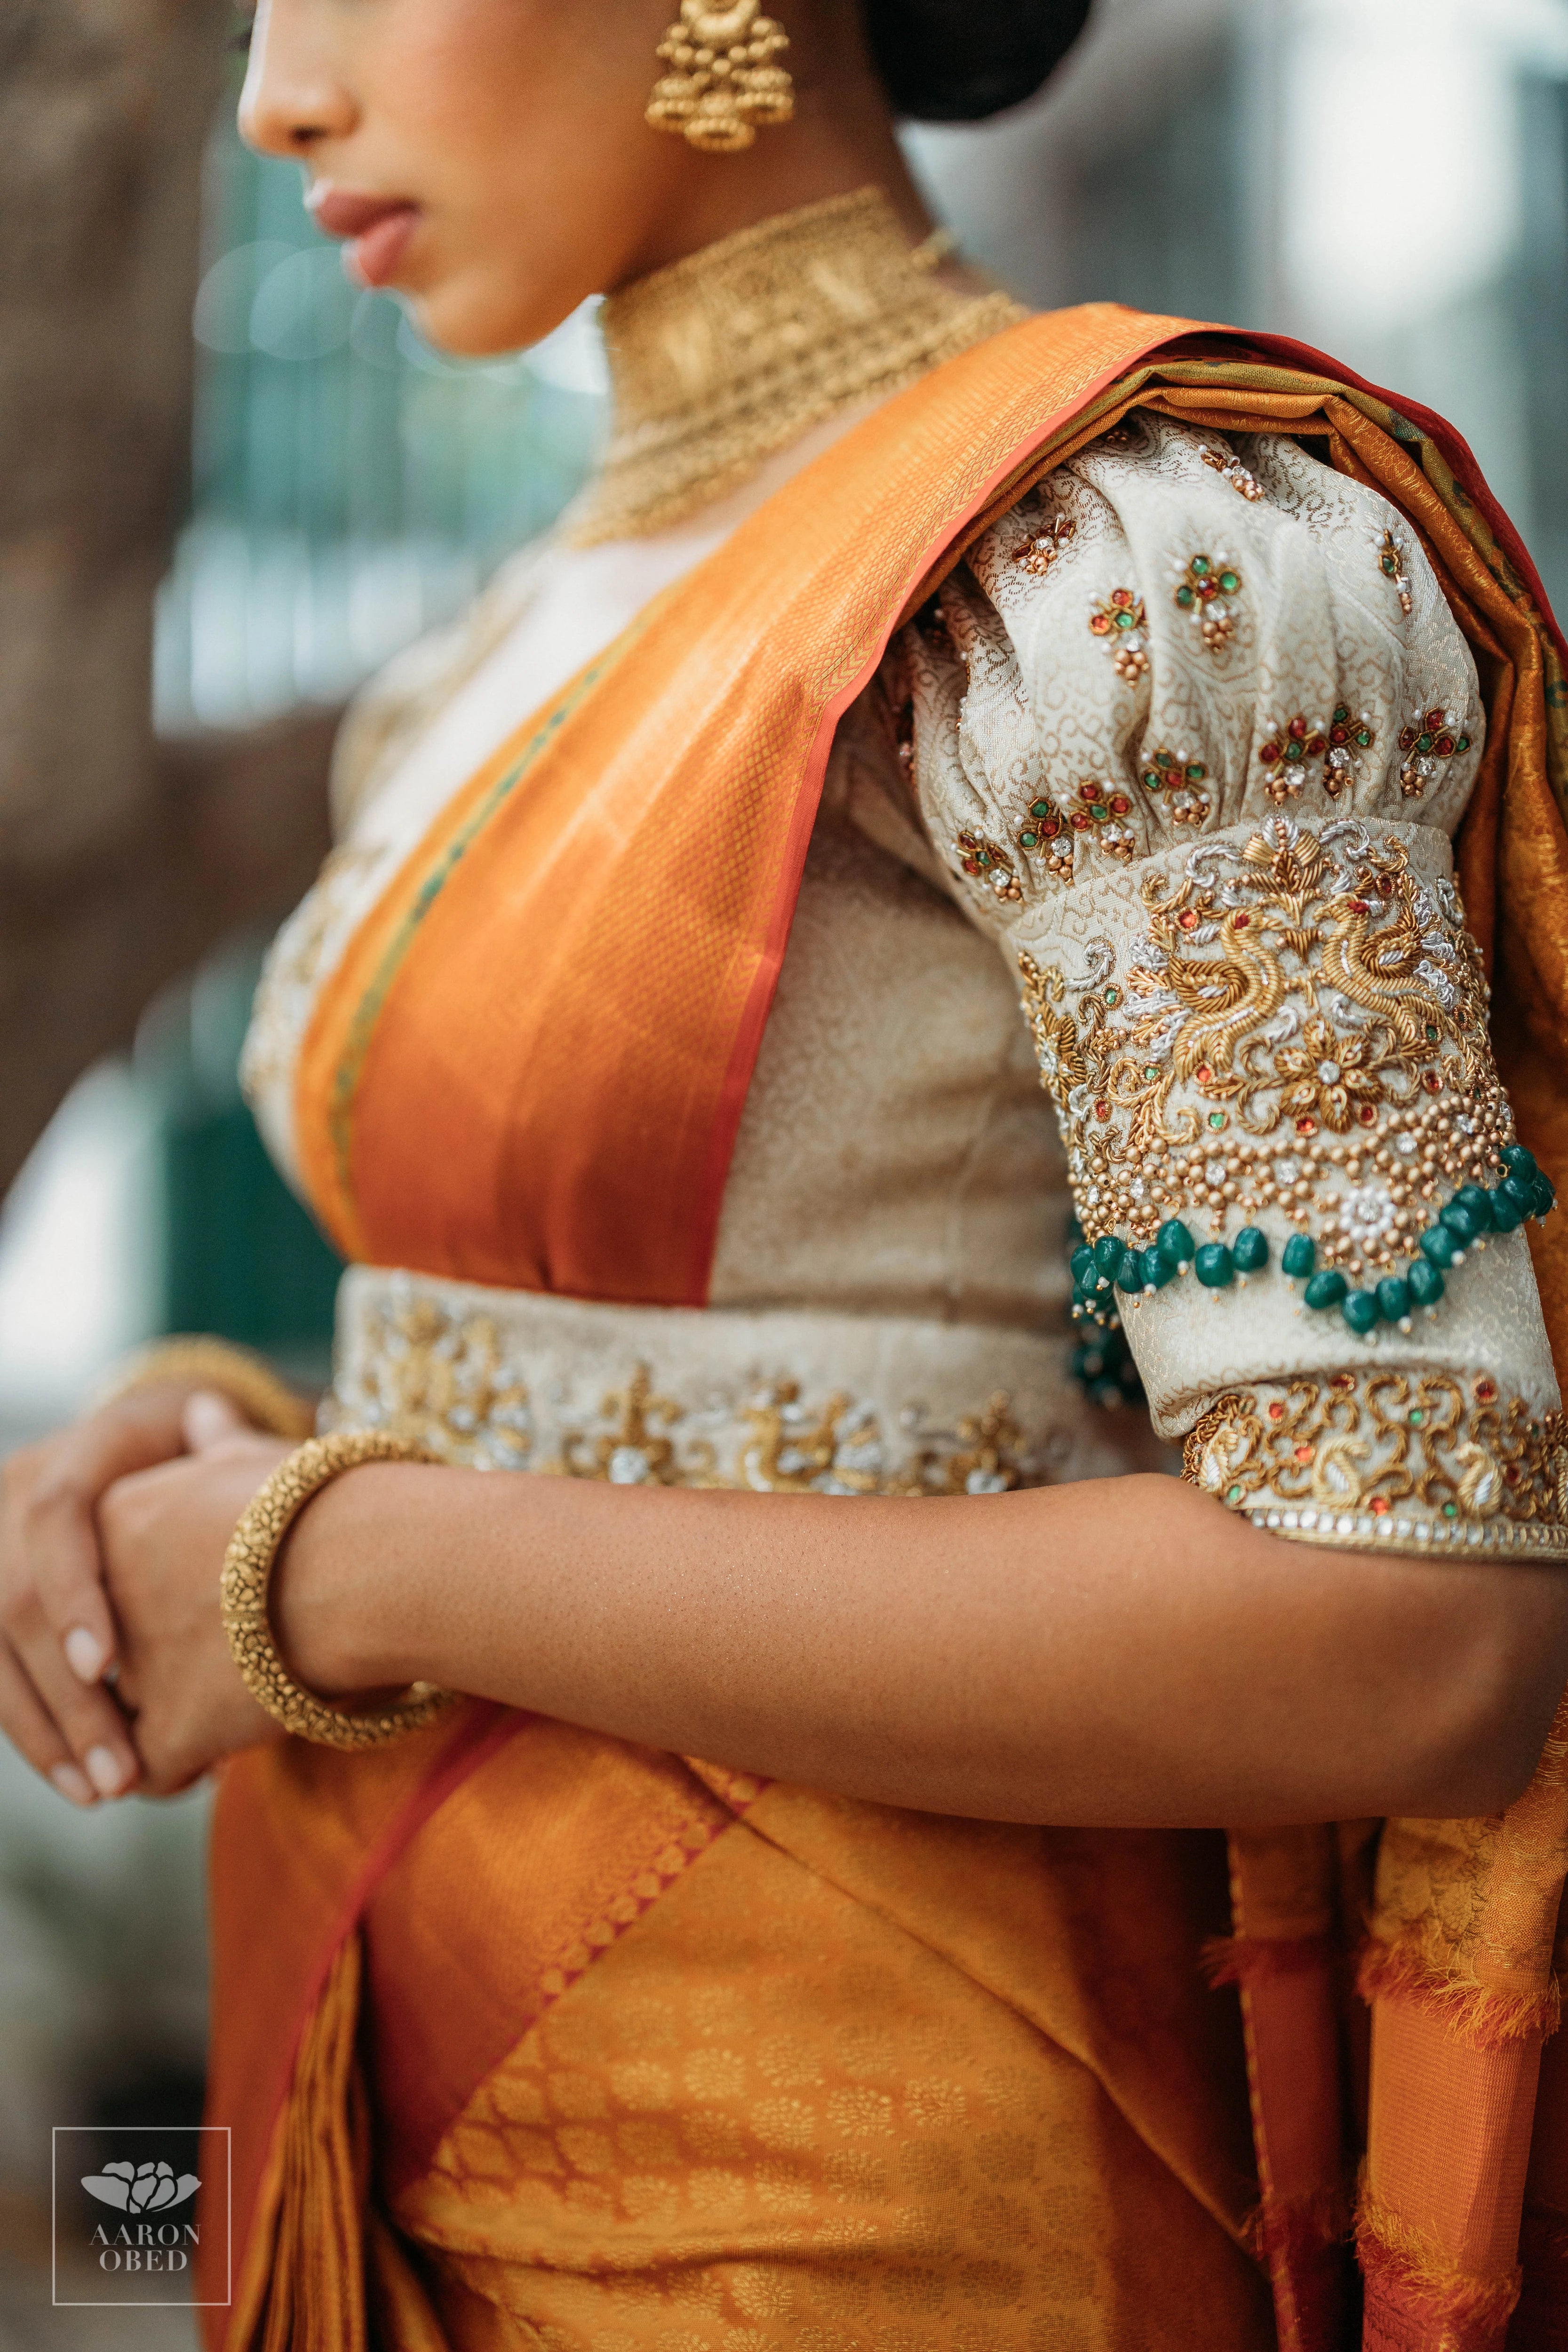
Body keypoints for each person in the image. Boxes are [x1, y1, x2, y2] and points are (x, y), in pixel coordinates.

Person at [4, 0, 1568, 2344]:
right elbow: (683, 1329)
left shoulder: (1127, 566)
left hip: (849, 2188)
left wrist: (351, 1554)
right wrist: (241, 1422)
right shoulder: (500, 639)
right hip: (365, 2044)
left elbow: (1404, 1624)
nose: (275, 98)